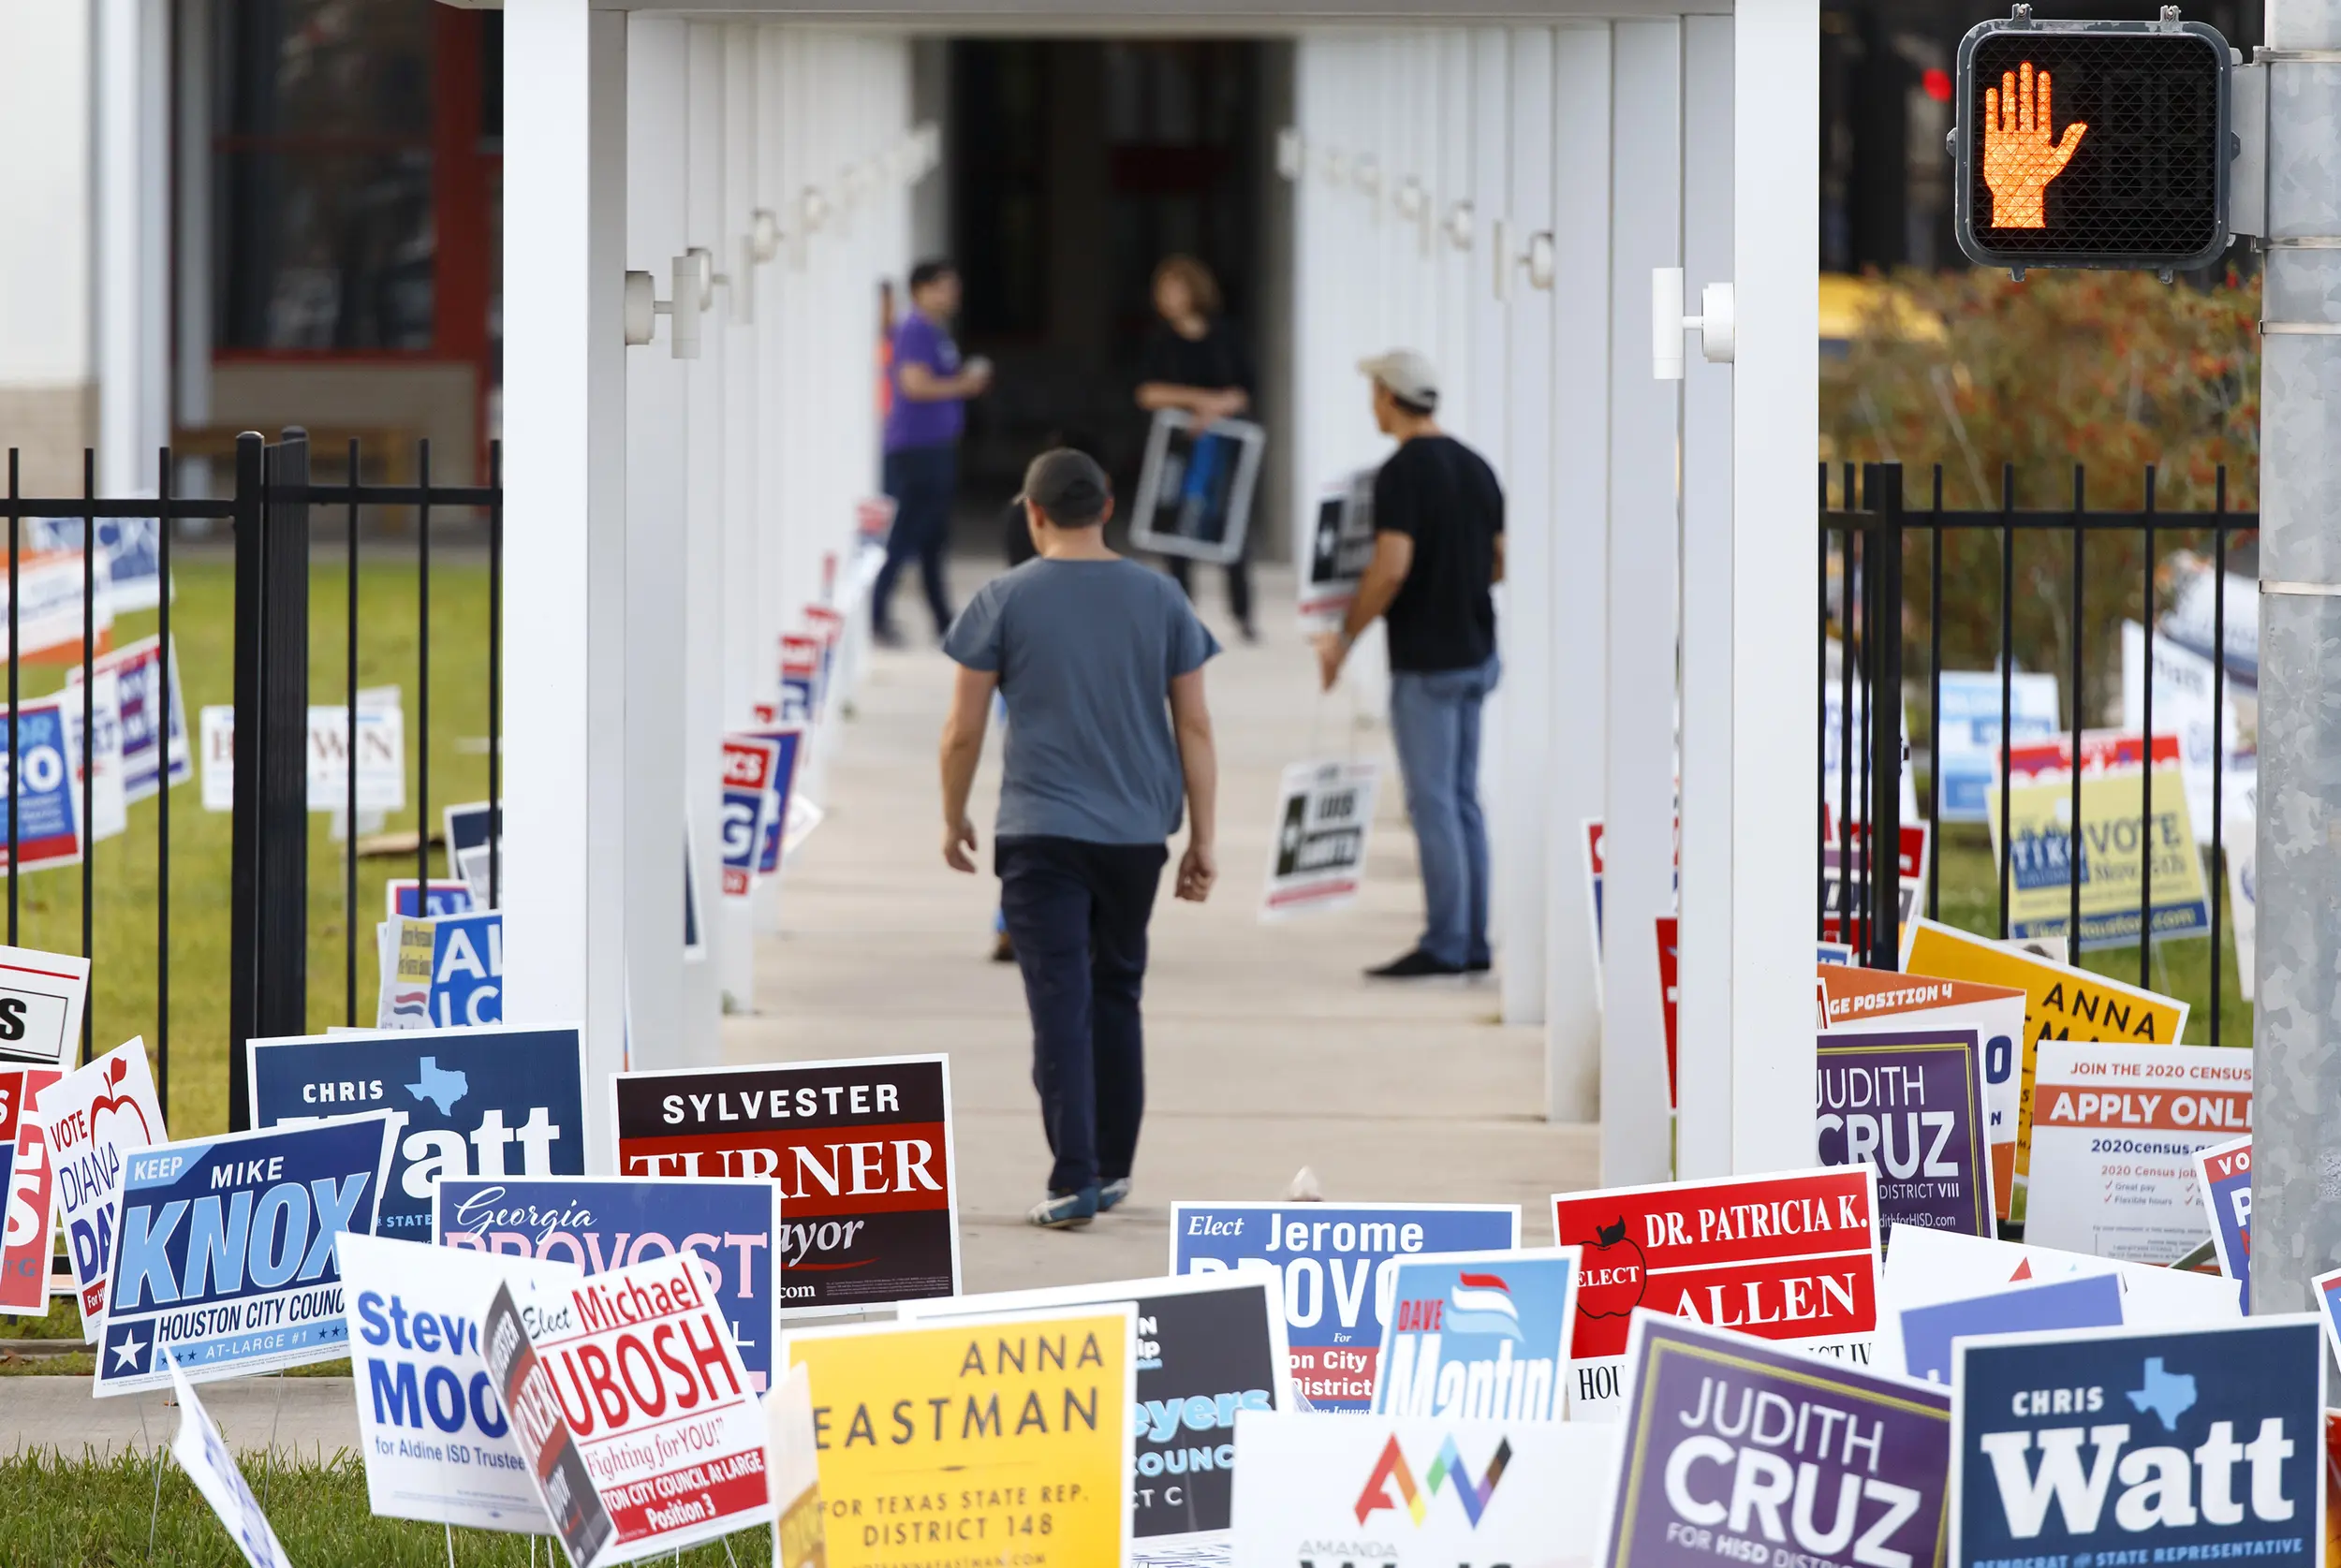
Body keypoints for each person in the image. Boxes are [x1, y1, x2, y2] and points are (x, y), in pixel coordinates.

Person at [939, 448, 1220, 1228]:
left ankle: (1074, 1176)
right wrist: (1205, 837)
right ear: (1107, 506)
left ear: (1032, 513)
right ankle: (1113, 1166)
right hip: (1136, 835)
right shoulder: (1162, 598)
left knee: (1059, 998)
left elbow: (962, 730)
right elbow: (1193, 723)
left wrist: (952, 813)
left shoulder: (1002, 598)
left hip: (1040, 834)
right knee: (1117, 991)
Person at [1315, 350, 1504, 979]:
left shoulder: (1399, 475)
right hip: (1477, 650)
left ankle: (1446, 943)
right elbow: (1499, 560)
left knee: (1433, 804)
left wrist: (1344, 635)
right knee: (1462, 799)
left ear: (1391, 398)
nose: (1371, 404)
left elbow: (1390, 566)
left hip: (1426, 658)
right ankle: (1472, 938)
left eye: (1374, 392)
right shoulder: (1478, 468)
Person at [1135, 255, 1259, 641]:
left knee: (1228, 522)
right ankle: (1183, 612)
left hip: (1222, 448)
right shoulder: (1159, 341)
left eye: (1175, 288)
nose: (1168, 297)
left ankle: (1242, 613)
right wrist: (1200, 402)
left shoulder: (1226, 336)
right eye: (1163, 290)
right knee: (1175, 525)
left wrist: (1214, 410)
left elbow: (1244, 392)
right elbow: (1147, 392)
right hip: (1178, 449)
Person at [876, 259, 992, 647]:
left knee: (931, 538)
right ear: (922, 289)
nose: (952, 294)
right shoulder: (914, 329)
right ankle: (878, 612)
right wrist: (963, 385)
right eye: (945, 286)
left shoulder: (936, 331)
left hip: (935, 445)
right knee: (909, 533)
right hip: (917, 446)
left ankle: (943, 620)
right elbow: (913, 384)